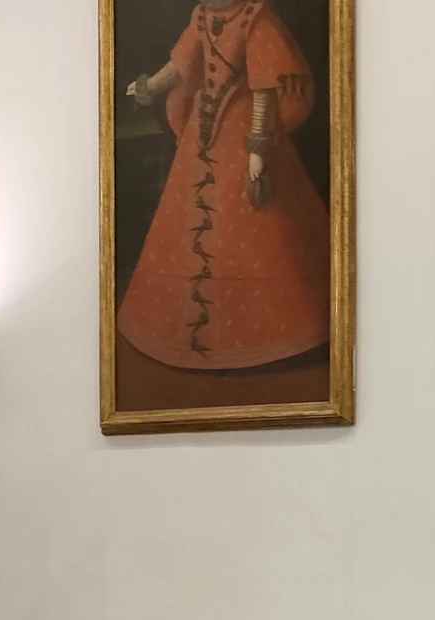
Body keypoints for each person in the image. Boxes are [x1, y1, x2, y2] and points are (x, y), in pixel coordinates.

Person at [122, 0, 330, 369]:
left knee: (261, 229)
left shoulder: (256, 18)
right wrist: (149, 87)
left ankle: (272, 339)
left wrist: (257, 148)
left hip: (246, 127)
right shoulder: (202, 17)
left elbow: (265, 87)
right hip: (205, 130)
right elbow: (181, 66)